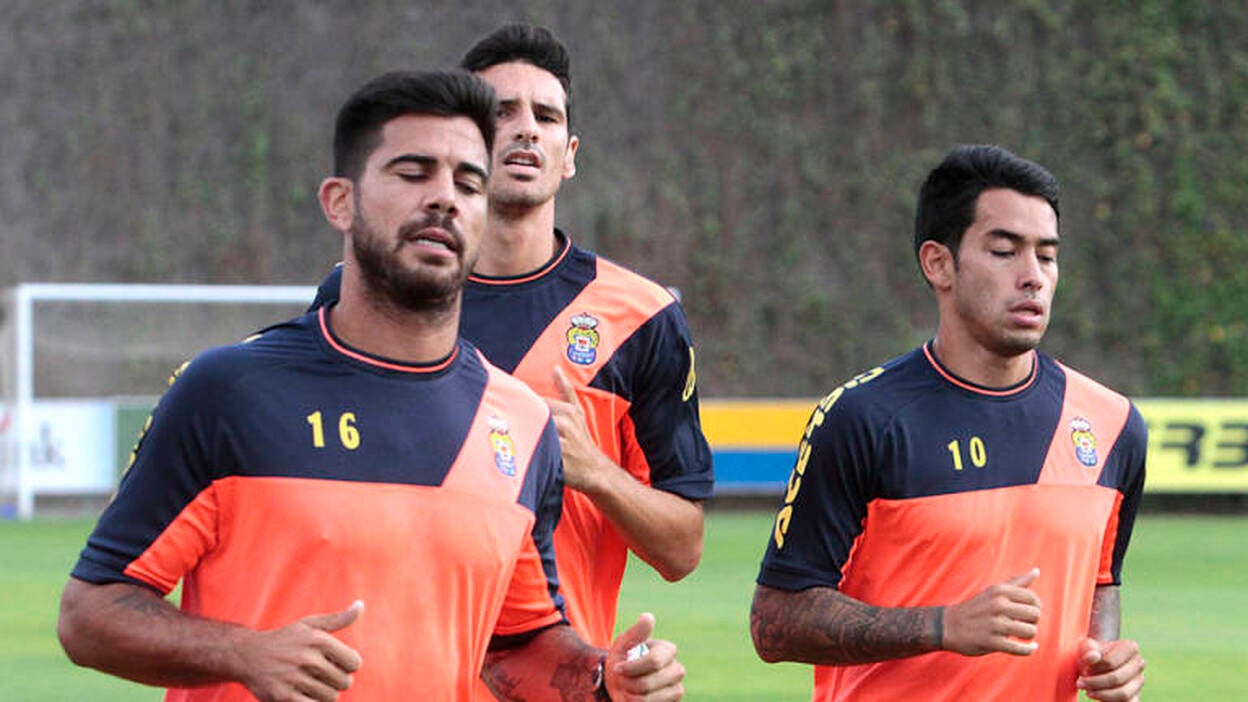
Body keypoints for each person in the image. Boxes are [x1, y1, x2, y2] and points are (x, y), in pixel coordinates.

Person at [58, 69, 686, 701]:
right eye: (413, 173)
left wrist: (604, 681)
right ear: (340, 201)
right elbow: (91, 613)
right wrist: (245, 653)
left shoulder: (520, 424)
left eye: (469, 182)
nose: (444, 198)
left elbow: (518, 645)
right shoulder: (229, 391)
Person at [312, 24, 714, 649]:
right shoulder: (369, 291)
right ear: (466, 143)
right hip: (394, 670)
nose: (527, 128)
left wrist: (595, 472)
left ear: (570, 151)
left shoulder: (642, 316)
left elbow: (682, 549)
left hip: (556, 677)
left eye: (547, 116)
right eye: (504, 112)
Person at [750, 144, 1147, 701]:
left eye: (1048, 256)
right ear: (938, 263)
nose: (1033, 277)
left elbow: (1100, 581)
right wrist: (941, 626)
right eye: (1005, 251)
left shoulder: (1114, 426)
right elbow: (774, 622)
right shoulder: (863, 418)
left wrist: (1107, 658)